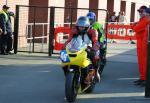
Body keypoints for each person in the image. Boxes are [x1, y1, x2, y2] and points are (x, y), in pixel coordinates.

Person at [64, 16, 100, 82]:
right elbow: (69, 40)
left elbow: (95, 41)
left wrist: (95, 48)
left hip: (89, 47)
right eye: (80, 26)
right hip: (77, 48)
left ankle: (96, 72)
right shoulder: (74, 31)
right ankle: (69, 75)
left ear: (87, 26)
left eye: (83, 27)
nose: (81, 28)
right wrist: (64, 47)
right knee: (65, 59)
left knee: (96, 56)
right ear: (77, 26)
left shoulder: (93, 31)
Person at [131, 6, 149, 87]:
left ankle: (144, 79)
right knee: (141, 62)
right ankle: (142, 78)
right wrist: (135, 25)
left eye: (142, 11)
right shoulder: (143, 20)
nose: (140, 13)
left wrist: (134, 25)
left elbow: (135, 28)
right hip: (141, 43)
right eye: (139, 12)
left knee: (144, 63)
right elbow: (136, 28)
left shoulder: (145, 20)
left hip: (144, 44)